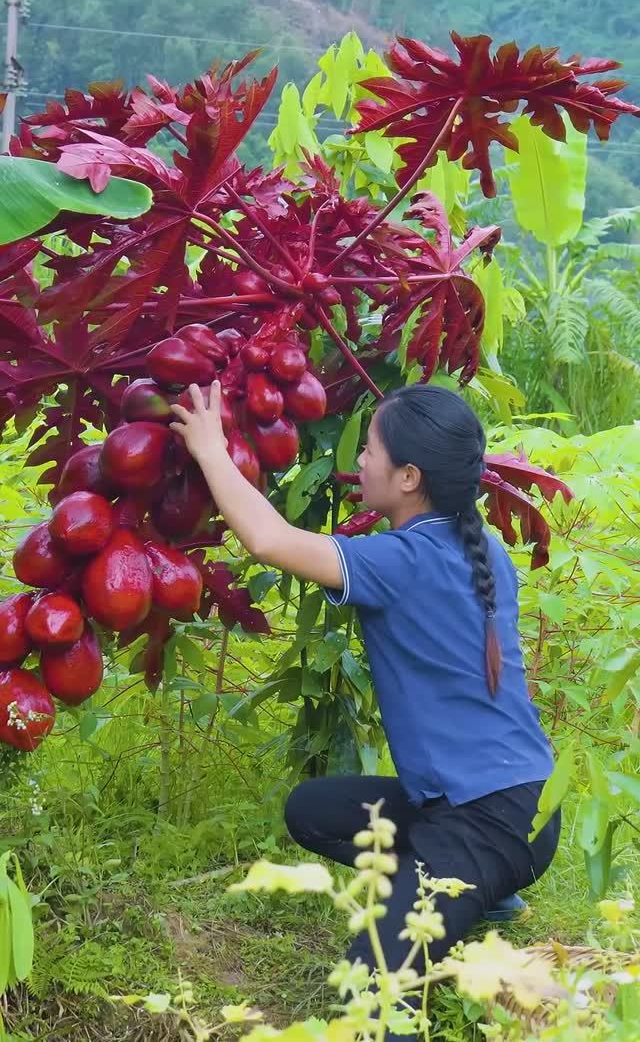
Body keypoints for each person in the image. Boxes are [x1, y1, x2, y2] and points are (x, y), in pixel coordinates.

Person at [170, 381, 560, 985]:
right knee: (313, 811)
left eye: (371, 448)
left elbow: (271, 541)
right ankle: (481, 894)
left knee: (374, 988)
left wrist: (211, 450)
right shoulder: (481, 548)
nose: (360, 459)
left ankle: (475, 886)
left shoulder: (400, 561)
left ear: (409, 477)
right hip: (523, 801)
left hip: (491, 819)